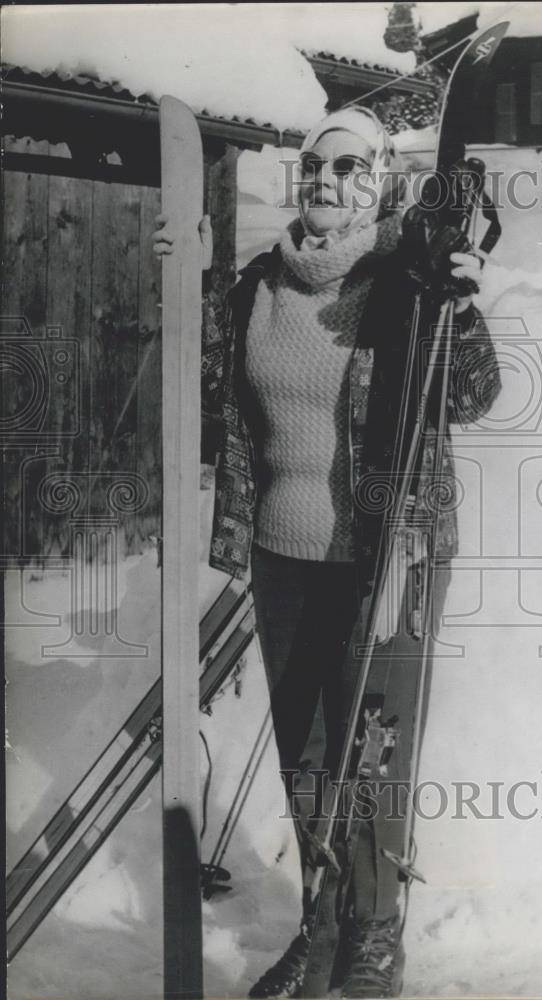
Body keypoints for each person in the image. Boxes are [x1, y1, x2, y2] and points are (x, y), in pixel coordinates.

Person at [154, 106, 501, 998]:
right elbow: (207, 412)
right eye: (315, 165)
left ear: (378, 179)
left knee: (371, 754)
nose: (328, 180)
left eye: (350, 167)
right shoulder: (255, 285)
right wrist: (179, 281)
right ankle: (320, 925)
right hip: (283, 555)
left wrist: (460, 300)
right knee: (309, 756)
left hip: (389, 553)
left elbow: (469, 395)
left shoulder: (409, 277)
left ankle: (375, 939)